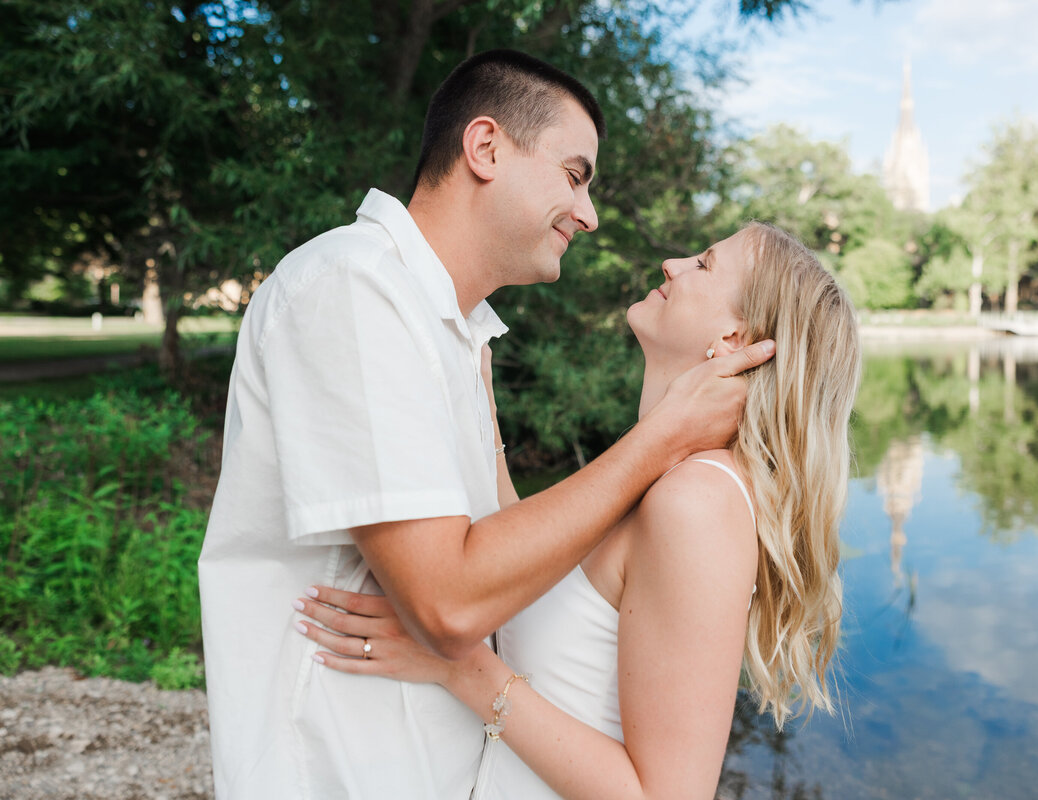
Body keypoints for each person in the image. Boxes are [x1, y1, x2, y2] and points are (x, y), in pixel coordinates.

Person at [197, 49, 774, 799]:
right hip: (338, 769)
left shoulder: (455, 335)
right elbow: (449, 603)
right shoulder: (355, 287)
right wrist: (659, 439)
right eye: (574, 175)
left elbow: (507, 565)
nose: (590, 214)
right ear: (486, 148)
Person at [291, 221, 863, 799]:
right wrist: (480, 410)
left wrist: (457, 665)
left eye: (705, 264)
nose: (673, 263)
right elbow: (548, 584)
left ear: (735, 338)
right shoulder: (662, 473)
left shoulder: (697, 501)